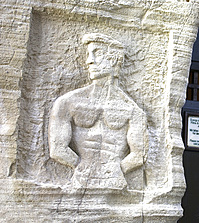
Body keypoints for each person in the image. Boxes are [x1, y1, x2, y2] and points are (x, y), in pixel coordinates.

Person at [48, 33, 148, 190]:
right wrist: (81, 165)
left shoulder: (132, 111)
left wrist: (117, 169)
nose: (90, 61)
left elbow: (139, 154)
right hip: (81, 179)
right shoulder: (67, 103)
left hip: (115, 181)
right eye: (88, 54)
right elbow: (57, 149)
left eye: (97, 53)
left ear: (114, 59)